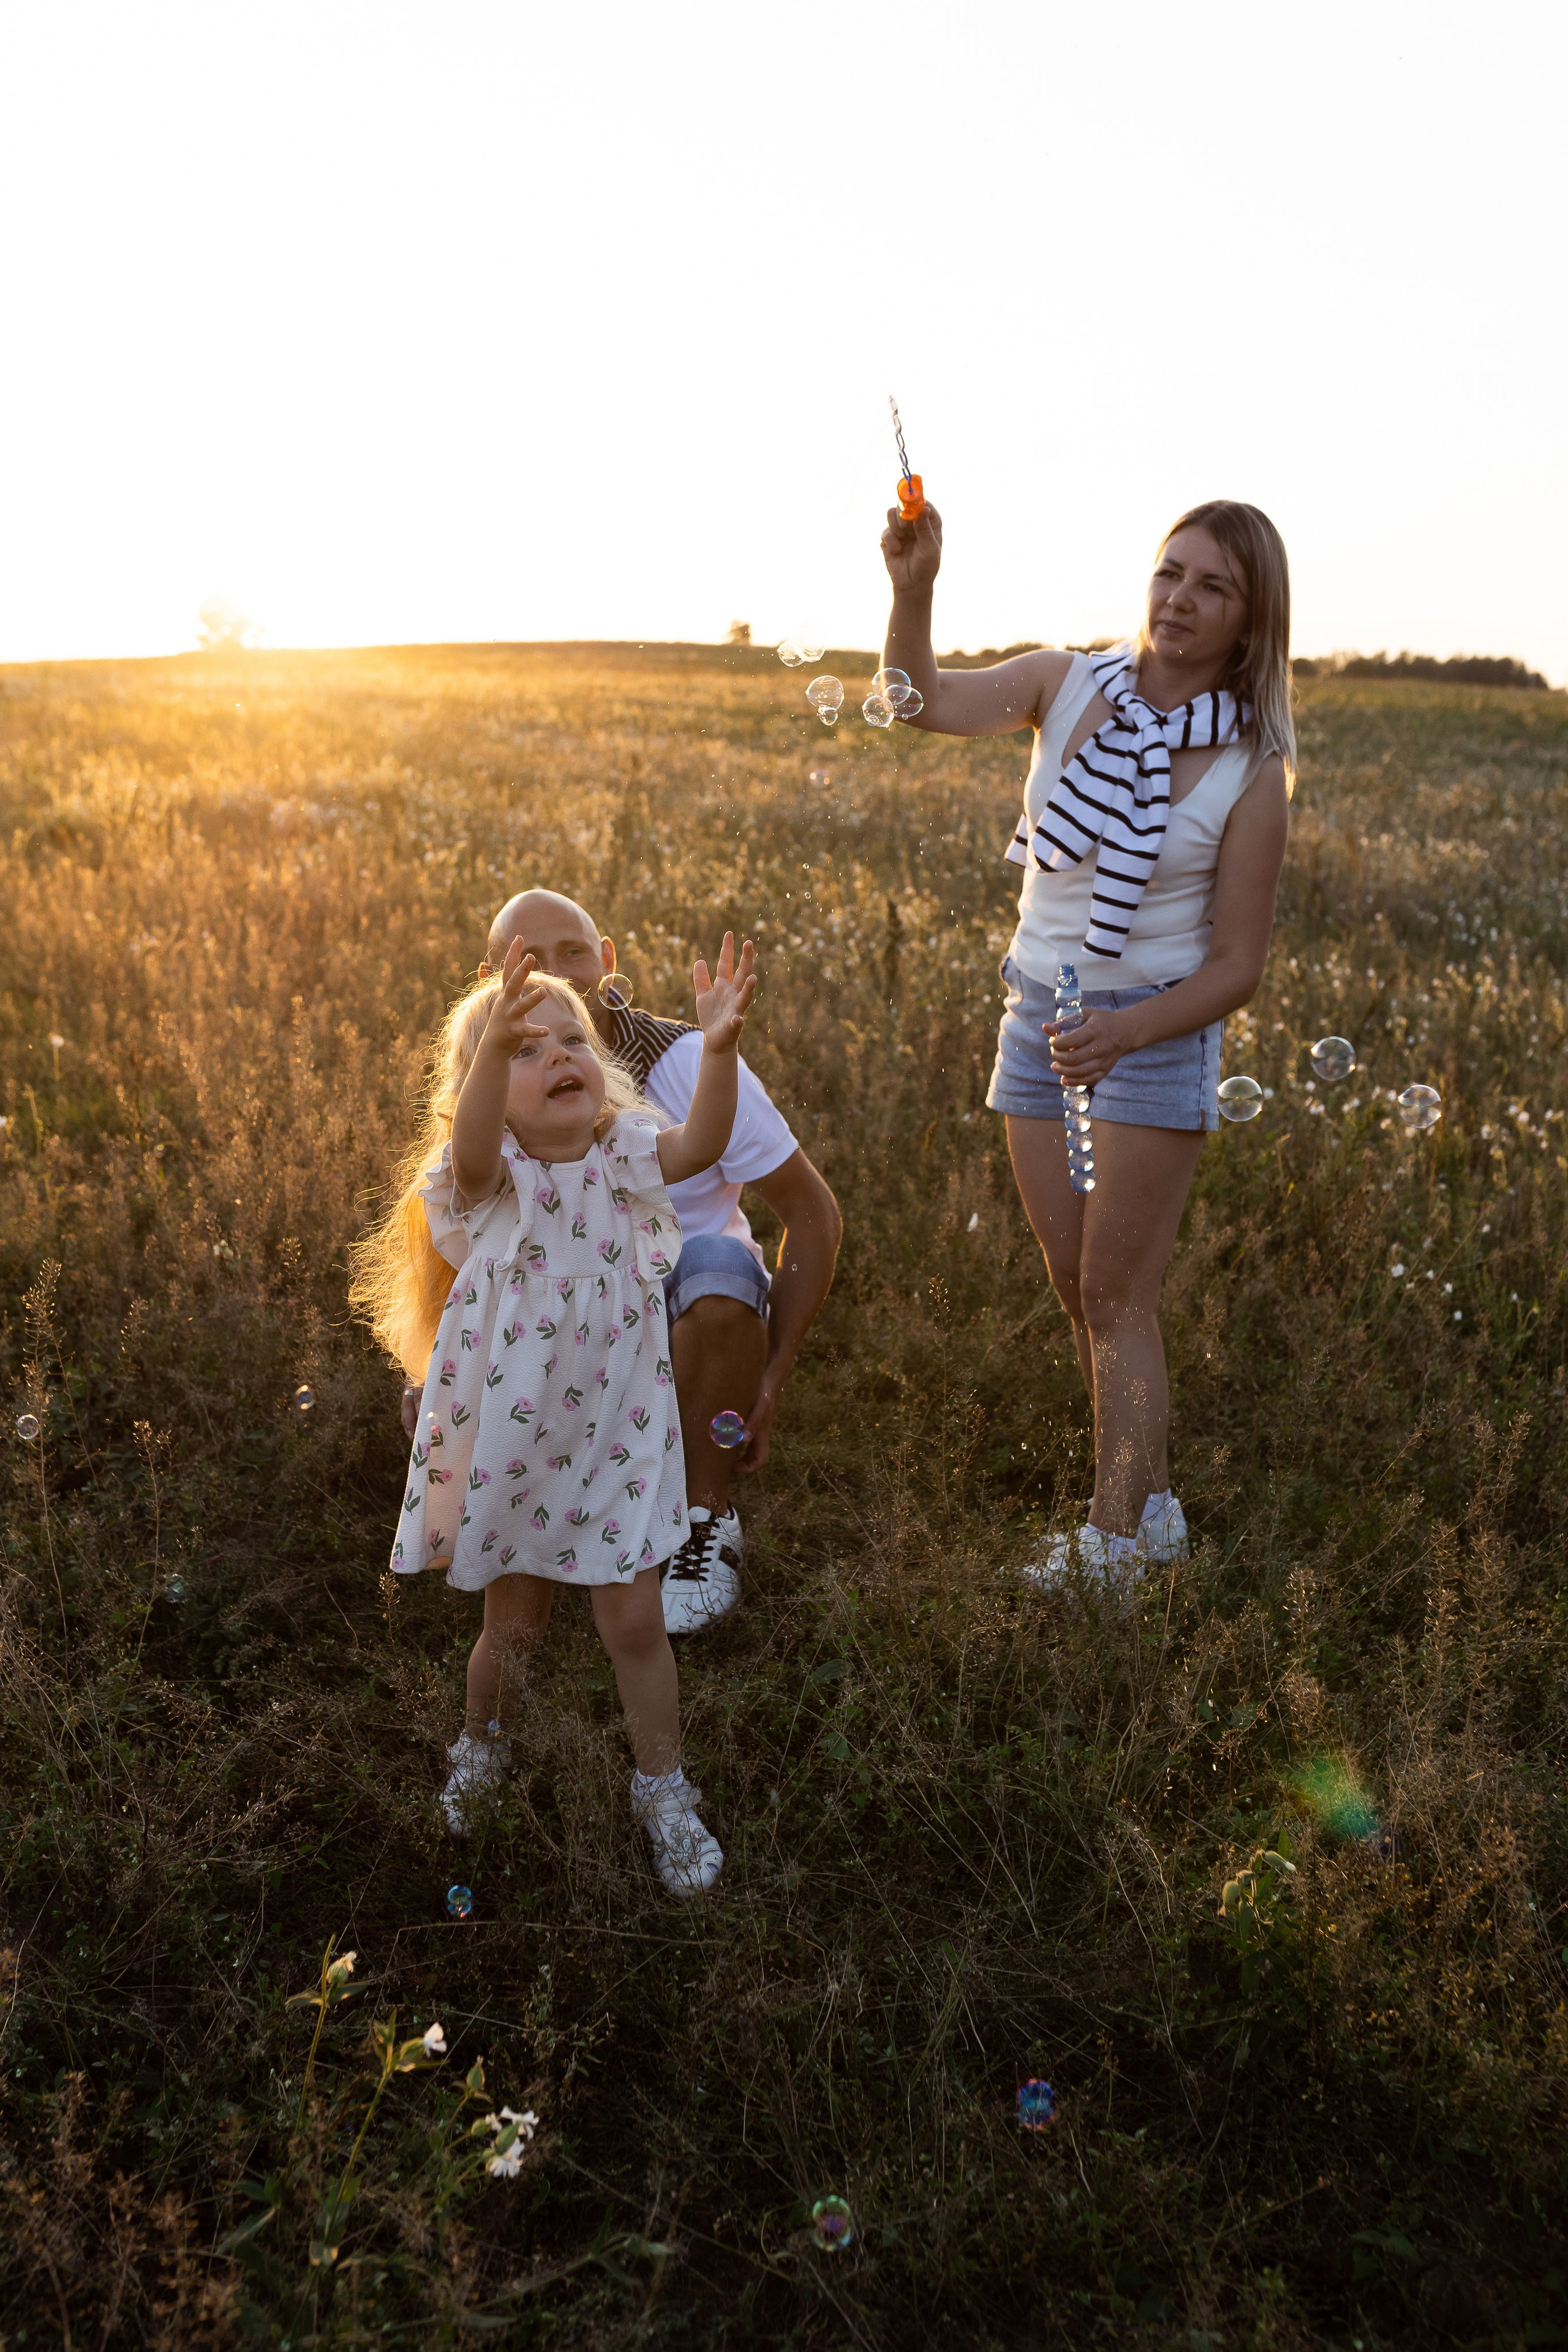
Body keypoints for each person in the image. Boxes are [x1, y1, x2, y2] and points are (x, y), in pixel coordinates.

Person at [880, 497, 1293, 1597]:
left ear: (1251, 622)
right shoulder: (1065, 684)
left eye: (1213, 587)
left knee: (1119, 1296)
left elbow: (1236, 964)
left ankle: (1112, 1548)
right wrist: (914, 588)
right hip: (1037, 1021)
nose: (1179, 600)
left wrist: (1128, 1029)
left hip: (1149, 1034)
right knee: (1076, 1286)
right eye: (1171, 573)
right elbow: (915, 702)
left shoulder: (1252, 770)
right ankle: (1148, 1509)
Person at [350, 935, 756, 1894]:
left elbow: (701, 1145)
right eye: (519, 1050)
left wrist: (723, 1050)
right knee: (515, 1626)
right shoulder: (495, 1186)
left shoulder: (623, 1158)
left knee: (635, 1624)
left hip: (617, 1436)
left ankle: (663, 1789)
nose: (554, 1057)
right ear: (485, 1085)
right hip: (520, 1448)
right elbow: (474, 1139)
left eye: (567, 1038)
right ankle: (480, 1749)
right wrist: (490, 1051)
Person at [453, 886, 842, 1635]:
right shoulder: (490, 1088)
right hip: (555, 1327)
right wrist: (426, 1377)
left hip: (677, 1321)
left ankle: (702, 1517)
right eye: (528, 958)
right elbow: (456, 1237)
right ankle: (553, 1524)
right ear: (489, 979)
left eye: (573, 952)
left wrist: (768, 1382)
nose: (556, 971)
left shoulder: (683, 1061)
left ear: (606, 962)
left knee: (719, 1267)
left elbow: (811, 1214)